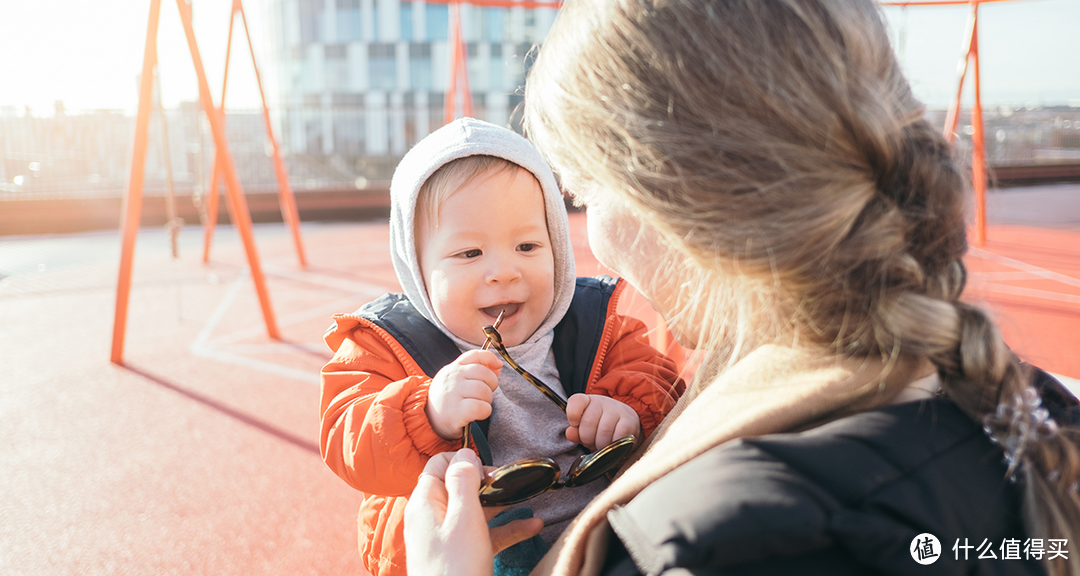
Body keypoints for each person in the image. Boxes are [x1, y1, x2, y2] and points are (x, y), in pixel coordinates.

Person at [403, 1, 1080, 575]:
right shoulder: (1032, 404)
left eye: (585, 194)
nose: (592, 241)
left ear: (672, 201)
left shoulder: (716, 540)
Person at [319, 118, 684, 576]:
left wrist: (629, 411)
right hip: (471, 551)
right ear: (417, 266)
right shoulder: (387, 345)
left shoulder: (594, 321)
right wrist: (426, 412)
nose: (503, 271)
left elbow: (660, 379)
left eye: (527, 245)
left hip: (606, 526)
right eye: (470, 254)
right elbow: (346, 438)